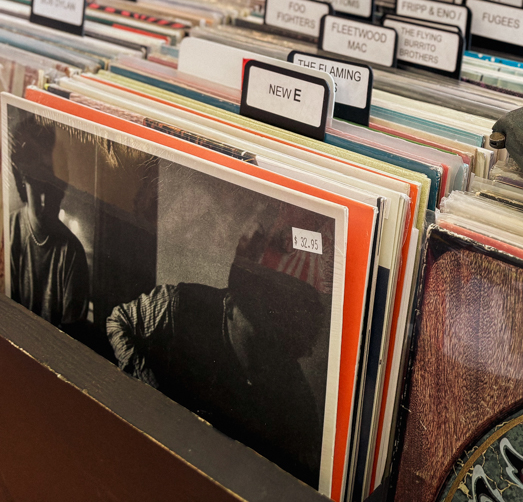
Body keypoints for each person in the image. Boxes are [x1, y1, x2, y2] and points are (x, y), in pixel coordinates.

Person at [106, 228, 327, 487]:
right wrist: (148, 387)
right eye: (262, 337)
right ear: (231, 304)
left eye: (285, 348)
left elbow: (307, 465)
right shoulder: (177, 304)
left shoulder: (292, 385)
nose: (271, 356)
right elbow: (119, 321)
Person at [8, 117, 89, 331]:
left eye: (52, 189)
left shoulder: (72, 253)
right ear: (23, 183)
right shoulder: (7, 232)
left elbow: (72, 337)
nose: (44, 200)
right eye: (37, 184)